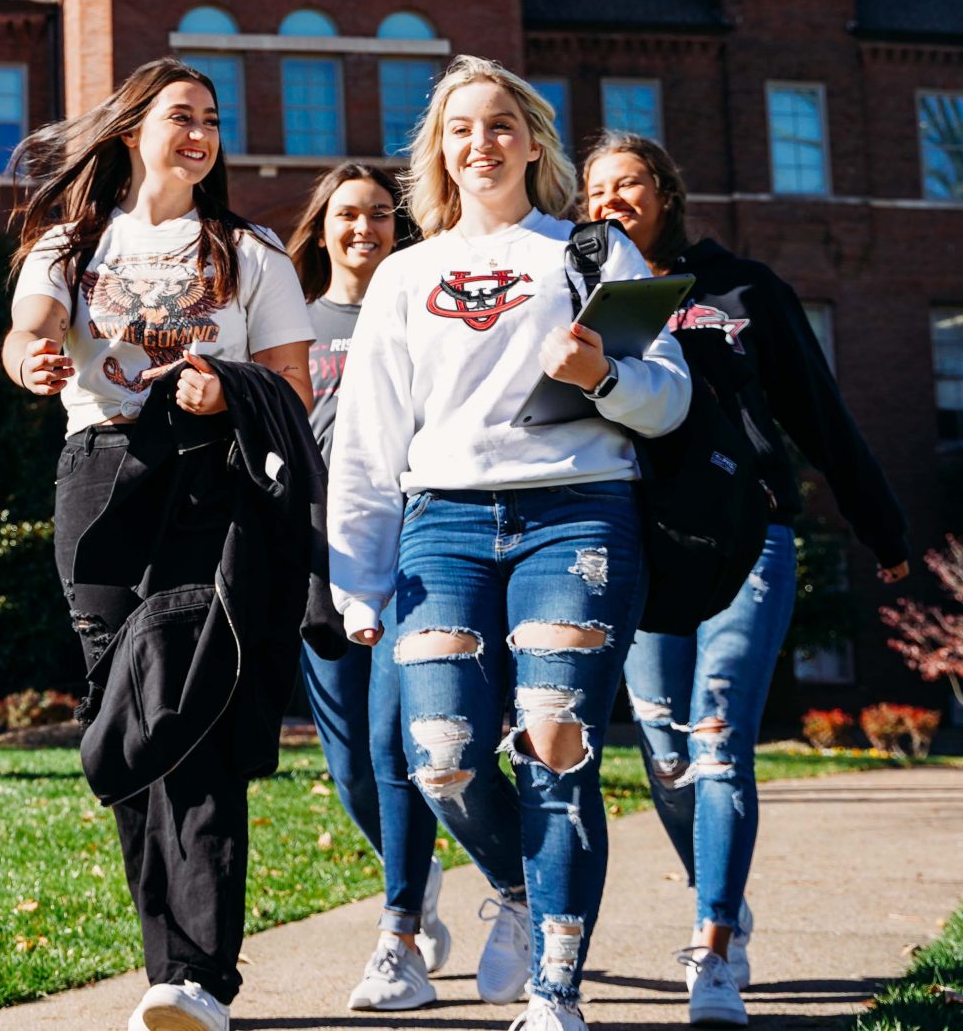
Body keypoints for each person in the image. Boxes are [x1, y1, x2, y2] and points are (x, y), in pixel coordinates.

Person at [328, 56, 693, 1031]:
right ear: (439, 151)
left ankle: (555, 994)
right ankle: (522, 890)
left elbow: (670, 399)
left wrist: (601, 376)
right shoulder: (406, 273)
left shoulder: (590, 254)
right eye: (460, 128)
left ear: (532, 141)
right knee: (441, 756)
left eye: (499, 124)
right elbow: (367, 438)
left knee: (555, 742)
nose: (479, 142)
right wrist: (357, 580)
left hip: (577, 517)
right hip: (441, 525)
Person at [2, 57, 320, 1031]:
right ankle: (168, 972)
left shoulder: (249, 251)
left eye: (212, 120)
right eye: (181, 115)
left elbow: (293, 389)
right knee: (124, 712)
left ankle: (198, 972)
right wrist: (31, 358)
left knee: (193, 705)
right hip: (98, 475)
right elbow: (29, 327)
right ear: (131, 129)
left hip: (207, 479)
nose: (200, 134)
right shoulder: (70, 243)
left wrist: (228, 393)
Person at [580, 132, 911, 1025]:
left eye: (629, 184)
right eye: (597, 190)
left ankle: (714, 944)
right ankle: (717, 885)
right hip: (646, 541)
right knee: (664, 746)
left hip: (749, 531)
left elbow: (819, 410)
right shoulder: (593, 306)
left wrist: (880, 525)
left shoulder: (744, 290)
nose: (612, 201)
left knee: (719, 730)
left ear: (666, 193)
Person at [284, 162, 498, 1009]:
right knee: (350, 767)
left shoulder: (421, 306)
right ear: (322, 227)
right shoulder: (295, 322)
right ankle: (418, 873)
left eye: (380, 213)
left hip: (412, 551)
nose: (363, 227)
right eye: (347, 213)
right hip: (318, 557)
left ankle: (404, 915)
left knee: (398, 745)